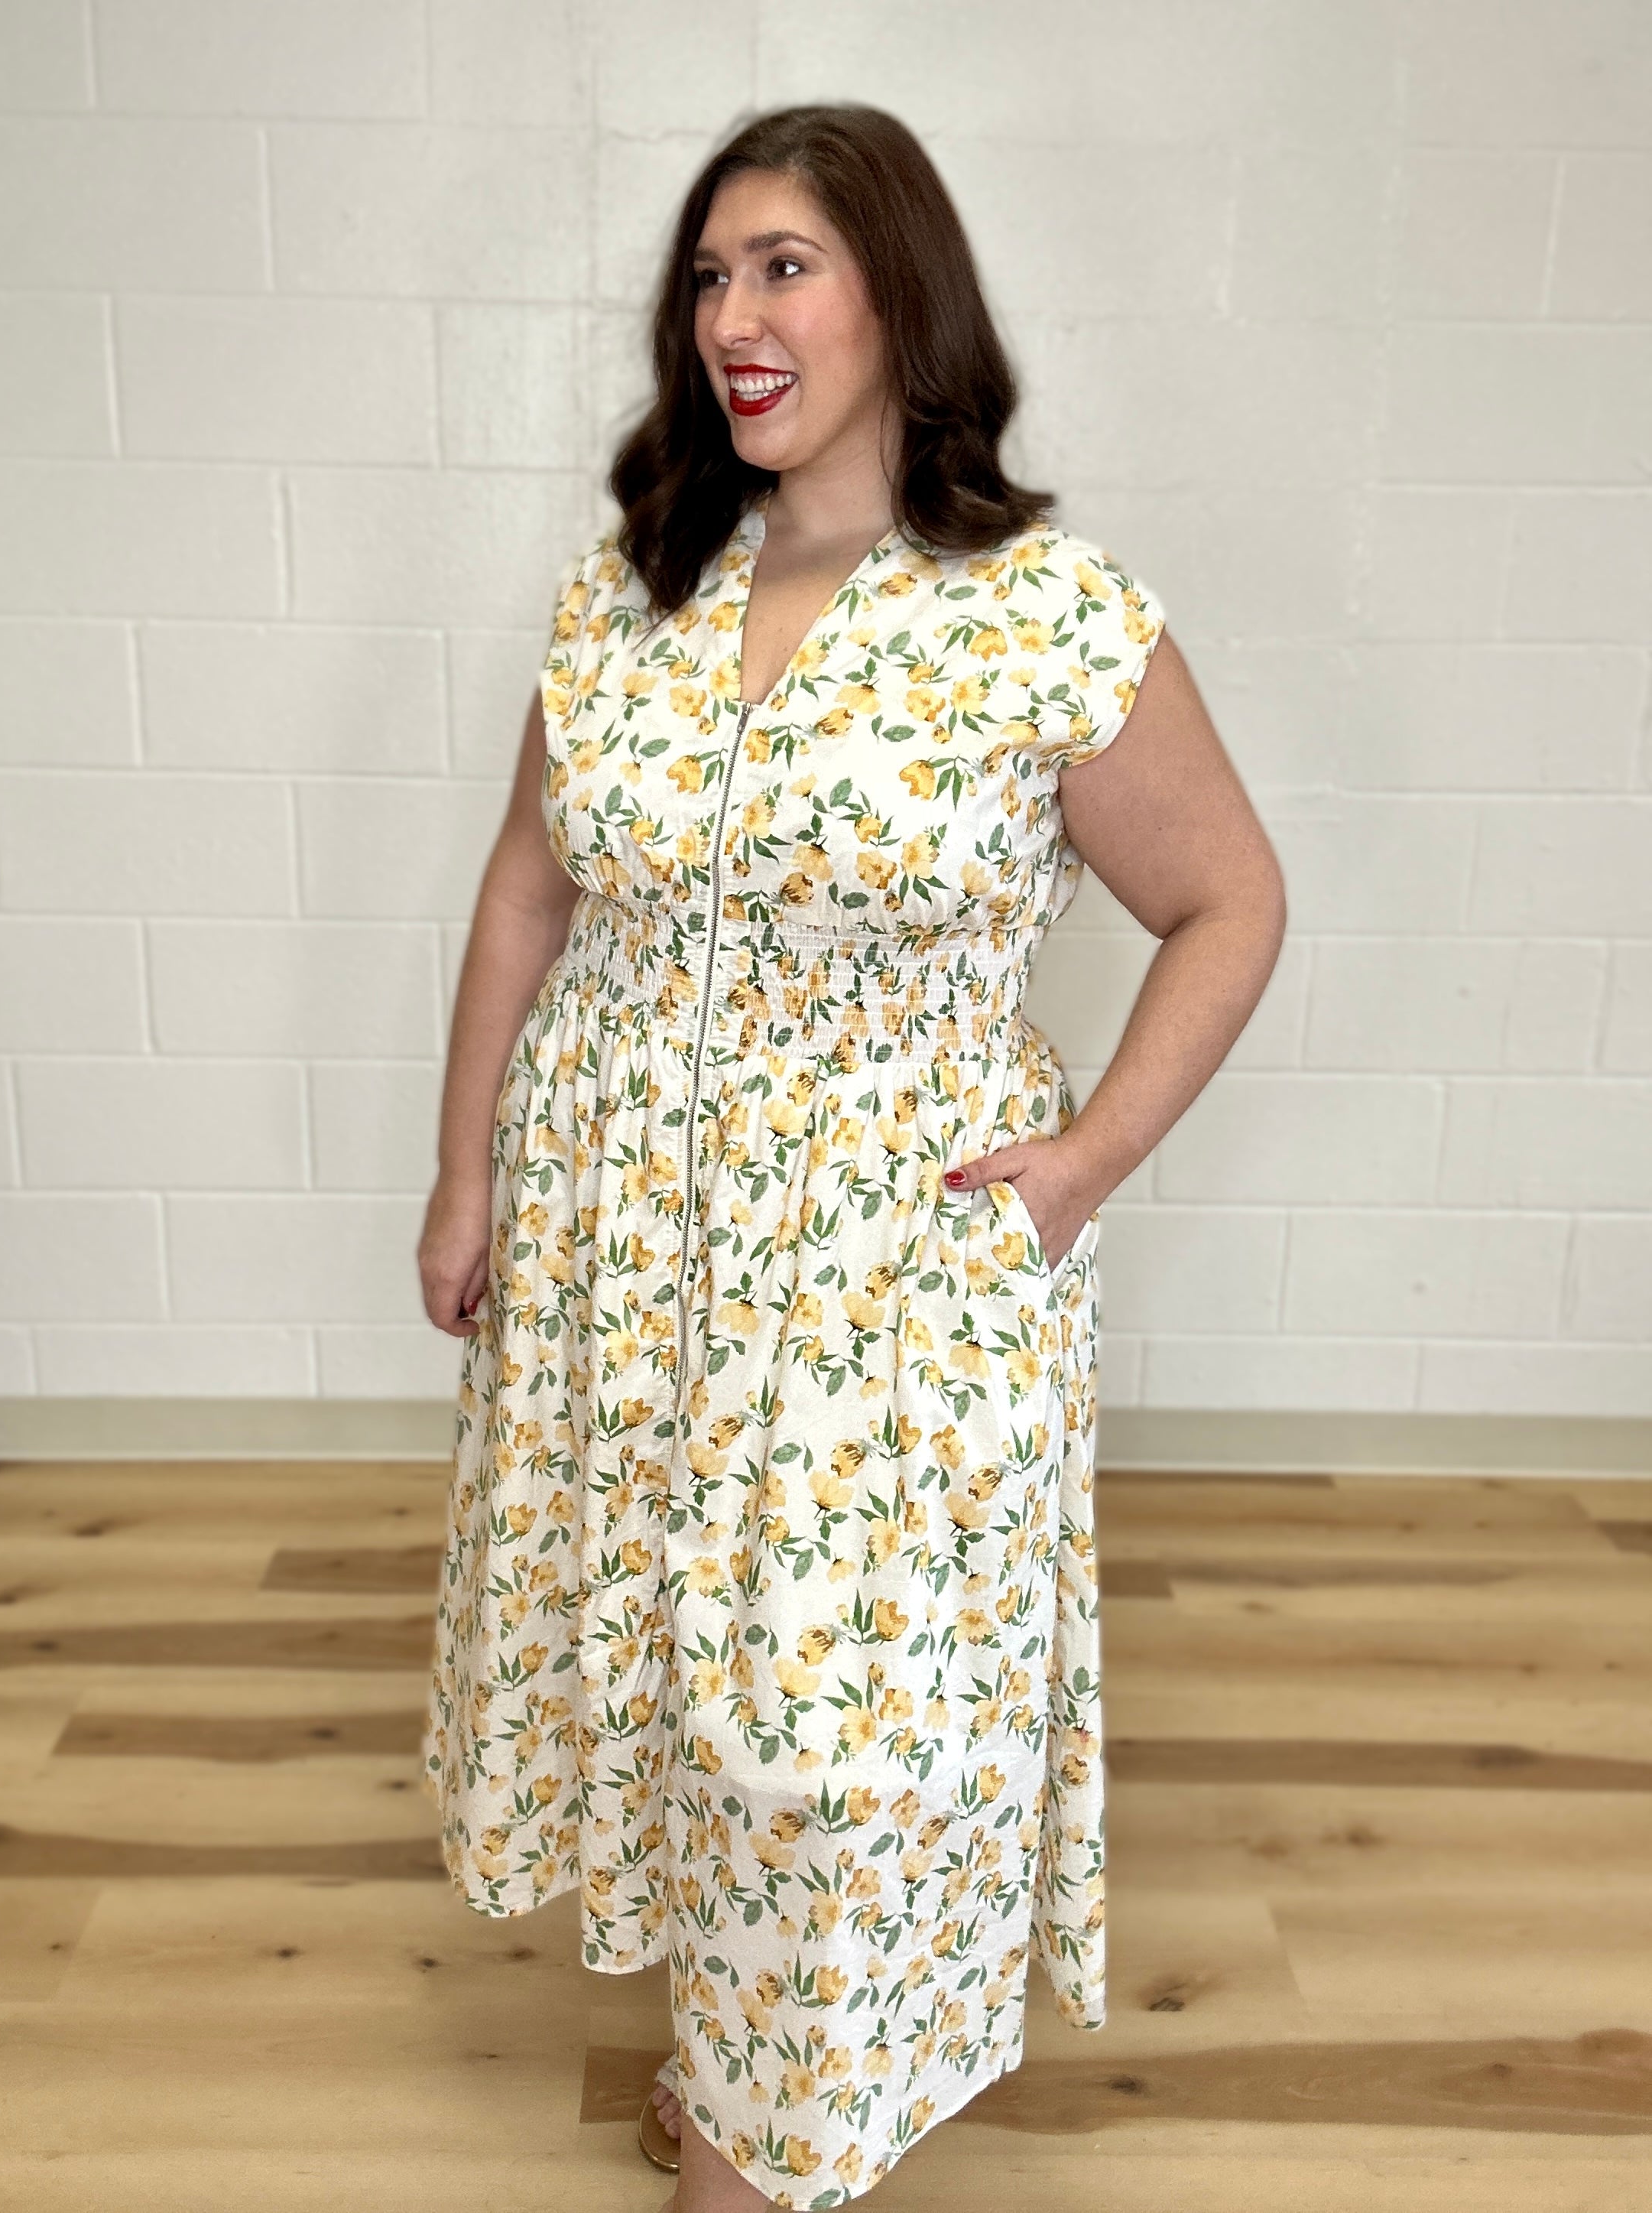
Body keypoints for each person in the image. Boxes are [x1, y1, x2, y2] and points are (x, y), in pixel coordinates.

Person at [417, 102, 1284, 2213]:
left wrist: (1085, 1159)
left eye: (784, 265)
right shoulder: (628, 596)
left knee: (820, 1736)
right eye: (710, 276)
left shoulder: (1041, 612)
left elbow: (1229, 900)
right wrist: (462, 1176)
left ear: (902, 293)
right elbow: (527, 888)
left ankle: (753, 2146)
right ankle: (733, 2071)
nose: (734, 312)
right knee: (663, 1666)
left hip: (886, 1266)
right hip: (623, 1237)